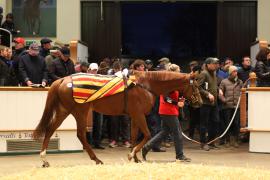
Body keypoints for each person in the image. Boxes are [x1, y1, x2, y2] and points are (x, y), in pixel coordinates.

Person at [142, 64, 191, 162]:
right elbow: (165, 98)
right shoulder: (168, 82)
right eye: (178, 71)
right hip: (168, 111)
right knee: (177, 133)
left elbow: (172, 96)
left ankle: (147, 147)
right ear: (175, 72)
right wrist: (177, 103)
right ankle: (180, 155)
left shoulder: (173, 82)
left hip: (167, 110)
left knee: (164, 132)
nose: (180, 73)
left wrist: (180, 99)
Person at [197, 57, 219, 151]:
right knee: (204, 123)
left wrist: (219, 89)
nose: (216, 65)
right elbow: (198, 87)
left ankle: (211, 142)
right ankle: (203, 143)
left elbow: (213, 85)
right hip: (205, 103)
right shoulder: (203, 73)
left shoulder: (213, 73)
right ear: (208, 64)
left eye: (216, 64)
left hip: (214, 103)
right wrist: (207, 94)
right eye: (214, 64)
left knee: (215, 122)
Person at [219, 66, 243, 148]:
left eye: (236, 71)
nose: (236, 73)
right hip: (227, 106)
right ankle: (227, 140)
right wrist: (224, 100)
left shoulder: (240, 82)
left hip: (236, 107)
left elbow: (242, 93)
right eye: (234, 71)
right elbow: (220, 93)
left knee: (236, 123)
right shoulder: (224, 82)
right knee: (227, 123)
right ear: (230, 72)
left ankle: (236, 140)